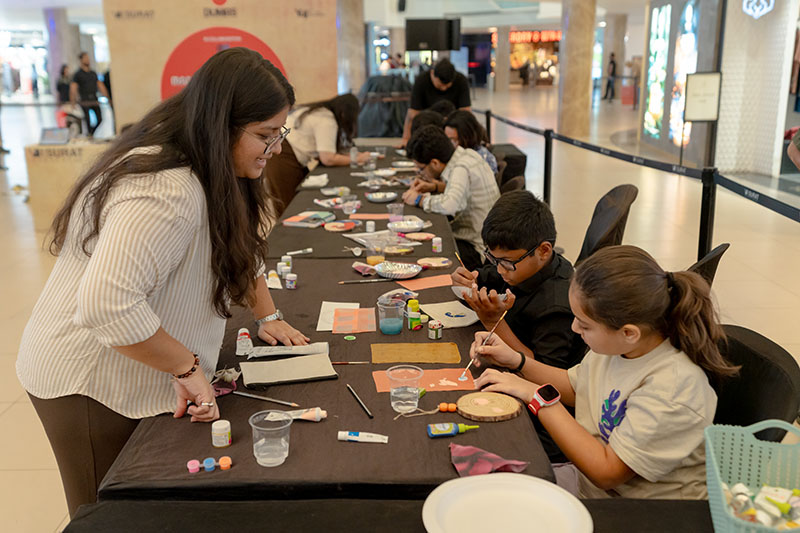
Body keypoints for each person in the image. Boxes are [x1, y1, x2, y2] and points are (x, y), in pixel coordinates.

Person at [17, 47, 309, 518]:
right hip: (86, 380)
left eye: (281, 132)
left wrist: (266, 313)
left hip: (131, 357)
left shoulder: (219, 166)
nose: (276, 149)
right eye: (264, 135)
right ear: (221, 125)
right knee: (103, 515)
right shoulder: (166, 189)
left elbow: (240, 243)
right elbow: (107, 305)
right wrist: (186, 366)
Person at [472, 245, 739, 499]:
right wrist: (516, 361)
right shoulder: (619, 348)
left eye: (585, 325)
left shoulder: (672, 388)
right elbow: (577, 388)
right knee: (488, 488)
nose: (575, 329)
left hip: (643, 510)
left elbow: (606, 473)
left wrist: (538, 397)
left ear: (629, 333)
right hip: (589, 483)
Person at [451, 190, 586, 462]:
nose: (500, 271)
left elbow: (547, 378)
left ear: (544, 251)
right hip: (508, 374)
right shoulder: (518, 267)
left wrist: (492, 321)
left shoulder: (557, 305)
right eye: (493, 259)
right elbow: (486, 276)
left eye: (507, 263)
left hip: (542, 422)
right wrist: (465, 282)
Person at [402, 125, 499, 270]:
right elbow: (465, 191)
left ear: (434, 163)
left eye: (421, 168)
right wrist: (435, 187)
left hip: (477, 248)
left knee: (422, 253)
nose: (420, 173)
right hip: (485, 238)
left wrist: (418, 200)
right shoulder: (467, 154)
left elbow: (450, 205)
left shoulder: (460, 168)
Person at [264, 93, 371, 214]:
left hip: (286, 152)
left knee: (297, 201)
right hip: (284, 156)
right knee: (290, 207)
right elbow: (328, 159)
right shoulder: (326, 120)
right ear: (345, 113)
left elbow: (324, 152)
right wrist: (357, 159)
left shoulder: (319, 111)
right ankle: (286, 233)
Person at [401, 58, 471, 146]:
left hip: (452, 125)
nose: (444, 89)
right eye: (440, 86)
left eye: (447, 86)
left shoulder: (461, 80)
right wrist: (406, 139)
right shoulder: (421, 80)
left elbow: (465, 112)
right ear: (432, 74)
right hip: (427, 125)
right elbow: (412, 114)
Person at [70, 51, 110, 137]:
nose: (88, 60)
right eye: (86, 58)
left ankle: (91, 133)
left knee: (100, 119)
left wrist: (108, 97)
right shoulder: (78, 74)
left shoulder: (93, 73)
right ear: (81, 60)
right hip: (84, 100)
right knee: (87, 120)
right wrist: (73, 101)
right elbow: (73, 88)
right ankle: (89, 134)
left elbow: (100, 85)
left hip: (94, 98)